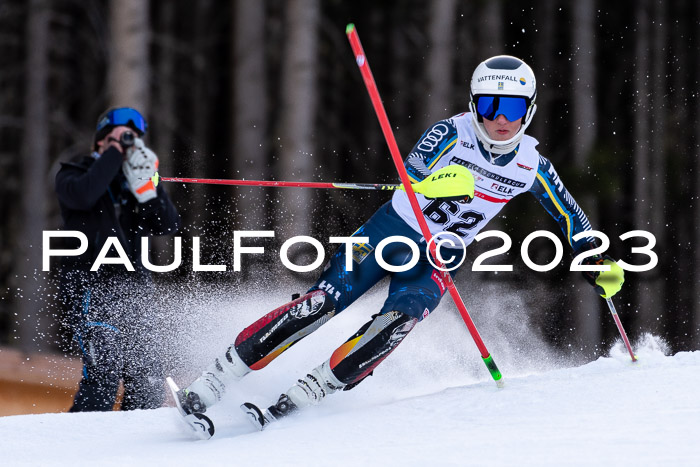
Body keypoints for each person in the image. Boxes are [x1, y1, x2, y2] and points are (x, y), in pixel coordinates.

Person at [175, 56, 624, 428]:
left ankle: (313, 391)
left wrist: (596, 260)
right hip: (387, 234)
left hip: (435, 258)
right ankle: (216, 379)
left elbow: (574, 219)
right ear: (475, 104)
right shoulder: (451, 132)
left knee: (397, 322)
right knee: (321, 305)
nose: (500, 119)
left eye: (512, 107)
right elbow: (412, 172)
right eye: (489, 105)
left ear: (529, 109)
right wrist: (438, 183)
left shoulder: (533, 166)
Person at [55, 107, 181, 411]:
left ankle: (132, 452)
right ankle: (75, 448)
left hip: (134, 288)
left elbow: (167, 225)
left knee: (149, 382)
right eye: (120, 137)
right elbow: (85, 194)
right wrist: (114, 155)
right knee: (103, 375)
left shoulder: (136, 181)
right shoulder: (73, 173)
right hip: (91, 283)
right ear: (101, 141)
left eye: (134, 138)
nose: (129, 143)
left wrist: (149, 187)